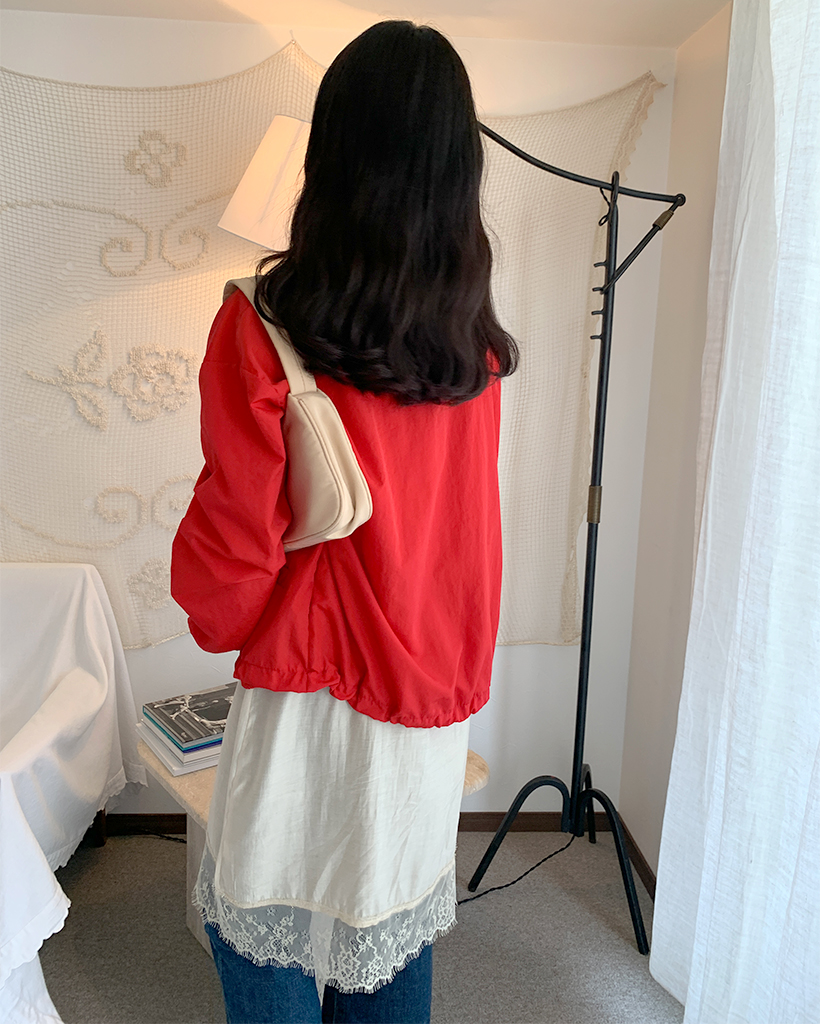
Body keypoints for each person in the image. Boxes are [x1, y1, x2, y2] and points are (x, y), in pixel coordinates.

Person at [171, 19, 517, 1024]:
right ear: (457, 169)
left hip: (308, 679)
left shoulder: (261, 323)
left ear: (331, 154)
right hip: (427, 695)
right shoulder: (474, 348)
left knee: (258, 920)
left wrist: (210, 604)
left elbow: (231, 563)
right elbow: (466, 538)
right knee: (388, 927)